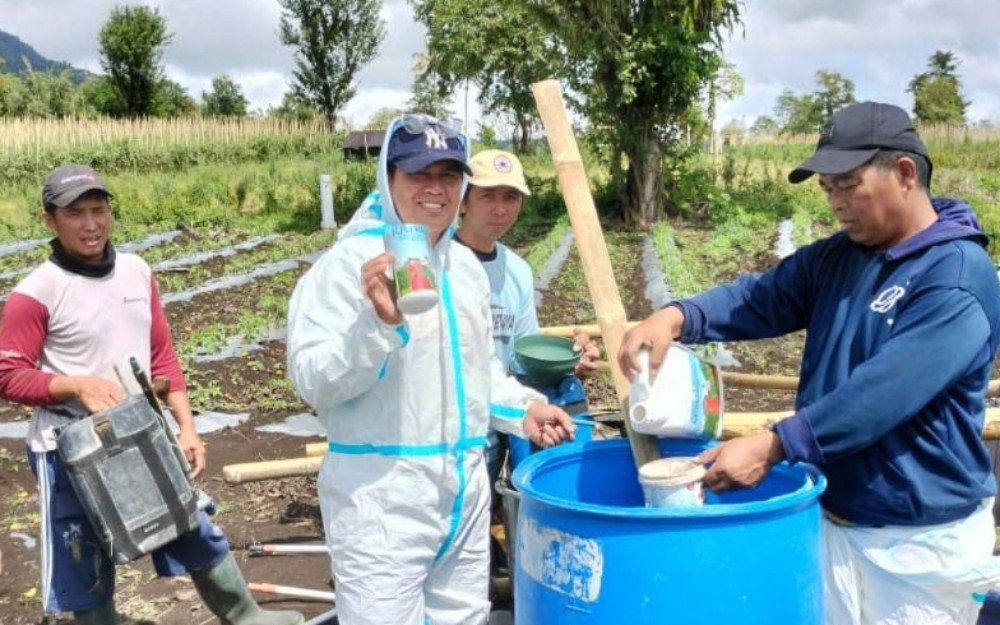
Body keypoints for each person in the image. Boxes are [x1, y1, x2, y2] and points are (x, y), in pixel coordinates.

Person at [618, 101, 1000, 625]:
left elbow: (882, 394)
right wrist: (677, 316)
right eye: (827, 189)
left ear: (905, 173)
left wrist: (777, 445)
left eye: (847, 184)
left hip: (917, 543)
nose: (836, 202)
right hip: (833, 519)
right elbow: (760, 297)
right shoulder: (837, 257)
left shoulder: (956, 274)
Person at [286, 114, 576, 625]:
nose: (436, 189)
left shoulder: (462, 268)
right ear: (388, 178)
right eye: (420, 174)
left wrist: (522, 409)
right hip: (381, 496)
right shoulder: (346, 267)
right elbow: (314, 381)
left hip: (462, 491)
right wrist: (375, 326)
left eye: (448, 175)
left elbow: (476, 370)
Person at [0, 165, 303, 625]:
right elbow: (6, 374)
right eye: (75, 213)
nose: (90, 224)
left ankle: (247, 617)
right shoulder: (37, 292)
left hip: (141, 432)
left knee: (190, 524)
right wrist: (73, 385)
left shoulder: (136, 272)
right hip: (70, 445)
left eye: (99, 209)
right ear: (49, 221)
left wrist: (186, 426)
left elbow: (161, 357)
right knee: (83, 557)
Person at [453, 149, 600, 480]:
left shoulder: (517, 271)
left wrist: (568, 360)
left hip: (507, 417)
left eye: (511, 197)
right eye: (487, 195)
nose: (501, 208)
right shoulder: (440, 262)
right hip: (457, 435)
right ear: (463, 201)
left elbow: (522, 356)